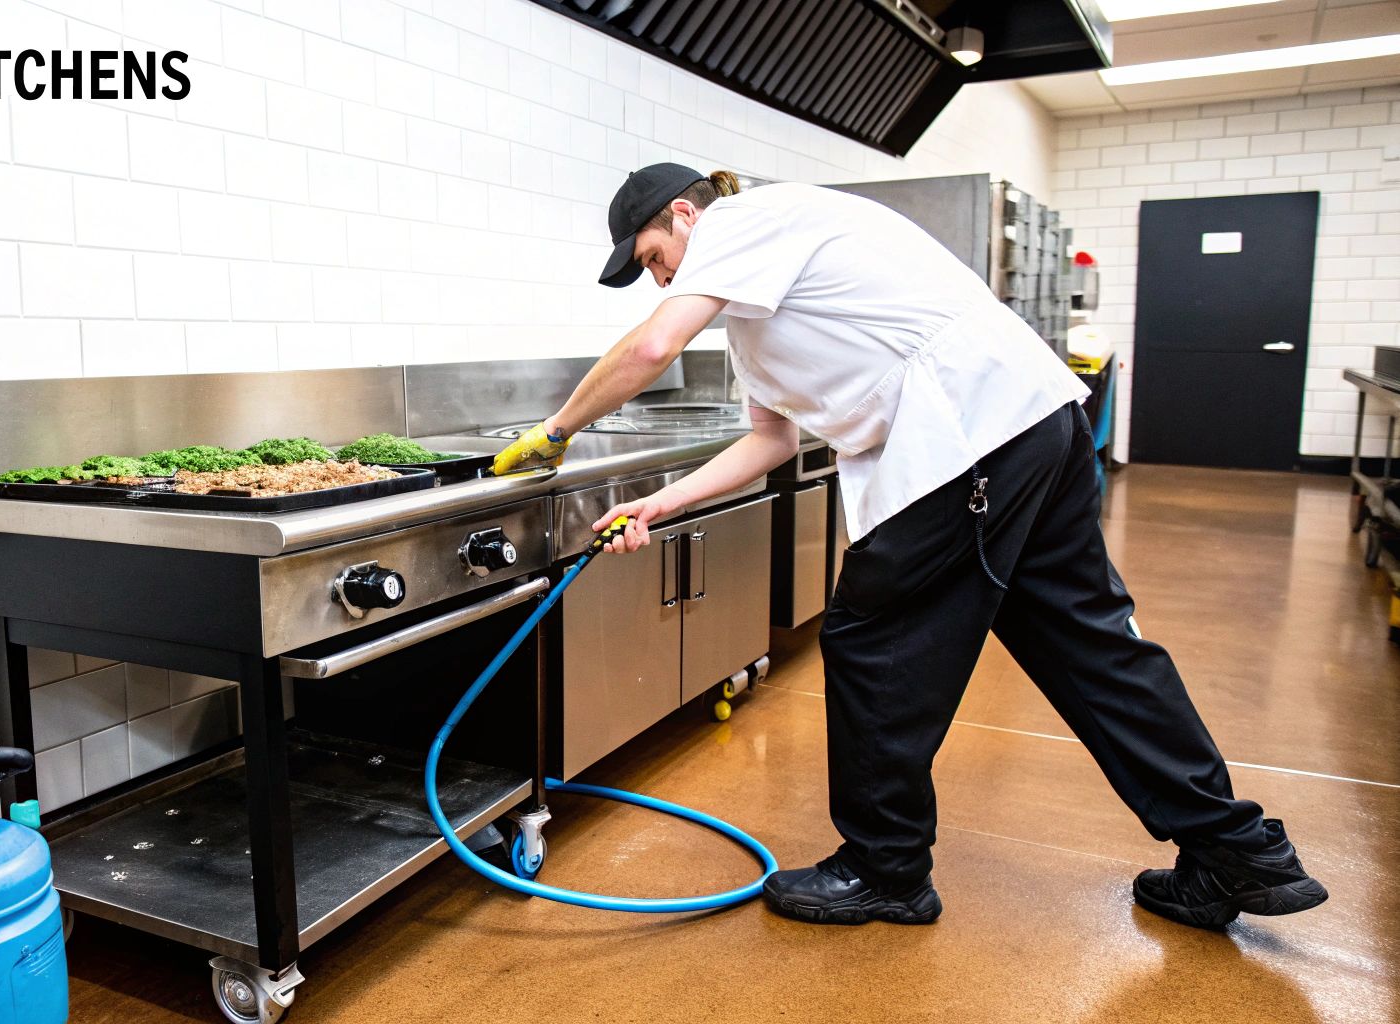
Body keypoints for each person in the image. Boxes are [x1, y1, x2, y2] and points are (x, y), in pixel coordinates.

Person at [492, 163, 1328, 929]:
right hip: (1030, 421)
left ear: (684, 214)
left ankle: (884, 868)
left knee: (871, 639)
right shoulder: (752, 313)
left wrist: (557, 429)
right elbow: (771, 441)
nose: (657, 277)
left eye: (651, 257)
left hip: (969, 436)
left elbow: (647, 348)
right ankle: (1237, 852)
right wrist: (657, 503)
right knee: (1088, 645)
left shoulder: (744, 222)